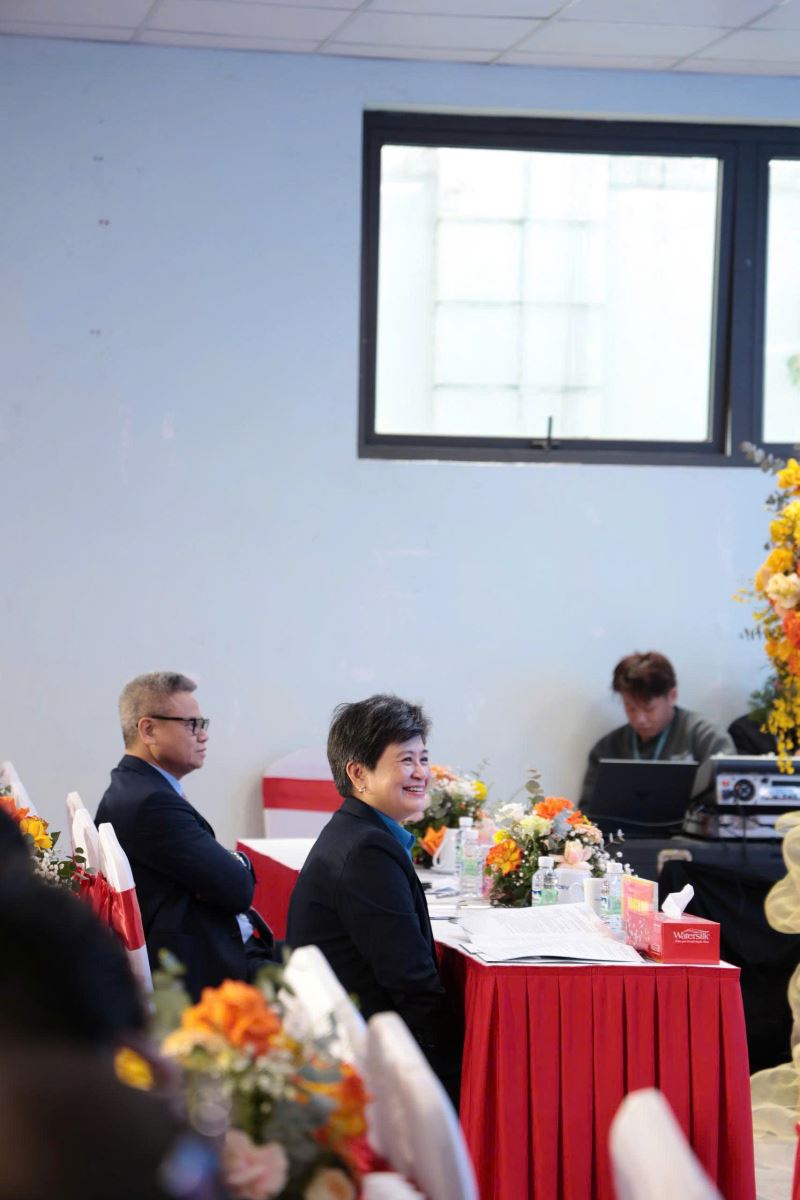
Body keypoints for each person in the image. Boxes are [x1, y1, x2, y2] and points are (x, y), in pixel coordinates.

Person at [286, 694, 462, 1108]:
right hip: (370, 1062)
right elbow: (410, 980)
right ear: (358, 773)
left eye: (423, 759)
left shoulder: (355, 831)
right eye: (405, 760)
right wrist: (460, 1059)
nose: (421, 773)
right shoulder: (367, 850)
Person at [96, 671, 273, 1000]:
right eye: (192, 724)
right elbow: (237, 889)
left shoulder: (134, 787)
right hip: (208, 968)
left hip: (198, 948)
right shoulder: (151, 802)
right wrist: (238, 862)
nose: (203, 735)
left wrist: (222, 871)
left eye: (203, 724)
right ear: (148, 730)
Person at [579, 651, 734, 808]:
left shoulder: (706, 736)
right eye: (630, 708)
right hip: (621, 824)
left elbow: (729, 801)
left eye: (649, 708)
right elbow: (586, 812)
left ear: (672, 696)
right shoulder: (606, 749)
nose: (640, 719)